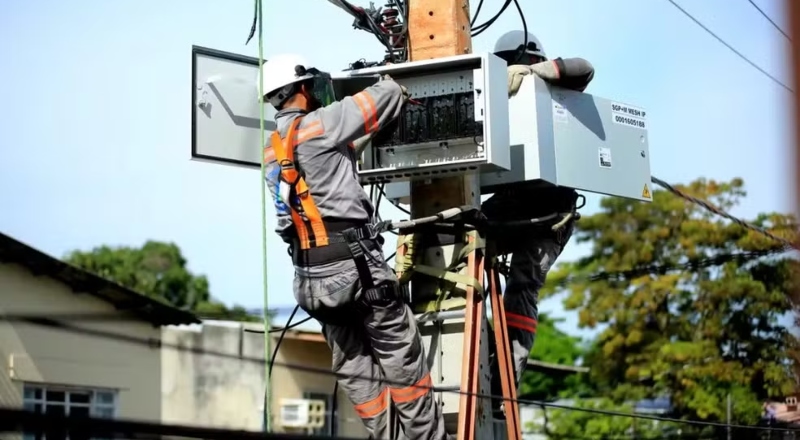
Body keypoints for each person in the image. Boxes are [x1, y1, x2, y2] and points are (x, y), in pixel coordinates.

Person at [258, 54, 450, 440]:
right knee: (404, 367)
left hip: (312, 282)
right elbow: (388, 93)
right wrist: (392, 72)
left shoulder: (271, 149)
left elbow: (322, 169)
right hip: (357, 270)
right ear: (302, 89)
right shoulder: (323, 123)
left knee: (357, 373)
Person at [482, 30, 596, 394]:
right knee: (459, 246)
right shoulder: (495, 95)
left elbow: (584, 67)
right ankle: (471, 351)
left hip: (550, 213)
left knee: (522, 283)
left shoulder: (557, 91)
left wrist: (535, 74)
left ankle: (505, 380)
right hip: (511, 203)